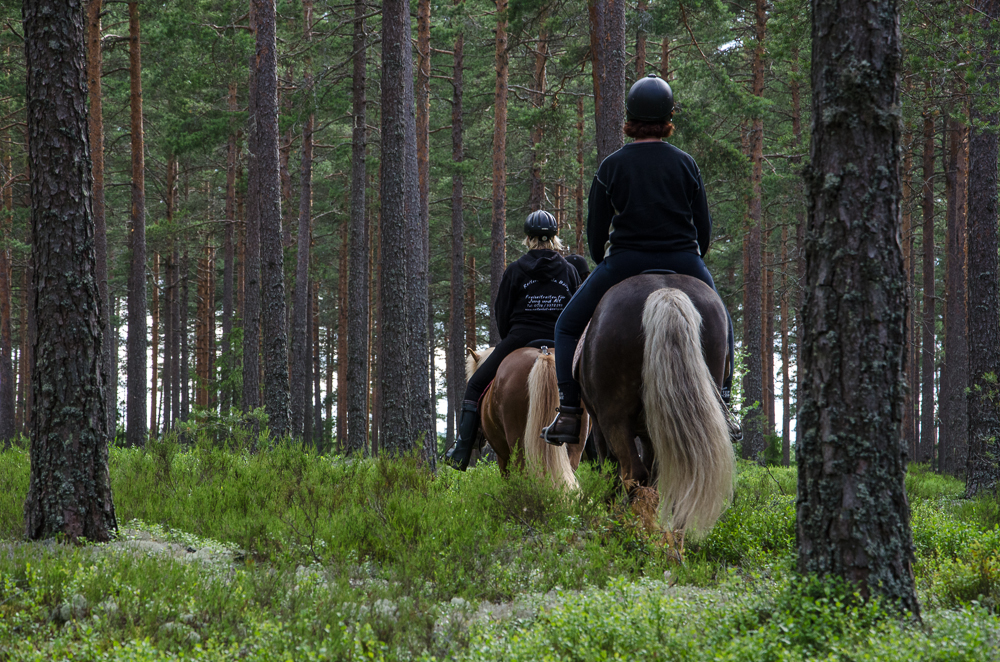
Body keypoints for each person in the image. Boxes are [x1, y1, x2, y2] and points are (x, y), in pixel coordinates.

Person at [541, 73, 737, 446]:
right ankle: (724, 404)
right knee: (723, 322)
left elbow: (596, 236)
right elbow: (704, 230)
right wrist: (691, 257)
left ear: (630, 117)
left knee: (566, 327)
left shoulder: (611, 166)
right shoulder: (686, 164)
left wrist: (605, 261)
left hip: (626, 261)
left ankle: (568, 412)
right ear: (668, 117)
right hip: (683, 260)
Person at [445, 210, 581, 470]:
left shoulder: (516, 269)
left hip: (520, 338)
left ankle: (462, 448)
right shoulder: (569, 270)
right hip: (560, 340)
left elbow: (502, 314)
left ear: (528, 238)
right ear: (555, 238)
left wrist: (512, 338)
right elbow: (576, 310)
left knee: (475, 386)